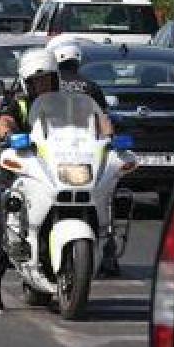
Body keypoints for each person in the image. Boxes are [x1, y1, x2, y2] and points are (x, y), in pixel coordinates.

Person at [0, 48, 61, 311]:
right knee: (6, 213)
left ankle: (106, 254)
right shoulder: (16, 103)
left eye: (48, 80)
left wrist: (105, 130)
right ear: (27, 83)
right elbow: (3, 120)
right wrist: (7, 131)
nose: (43, 86)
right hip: (27, 174)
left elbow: (92, 121)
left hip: (60, 174)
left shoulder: (67, 103)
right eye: (37, 81)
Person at [46, 39, 121, 276]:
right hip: (85, 153)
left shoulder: (49, 85)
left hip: (56, 152)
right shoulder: (91, 86)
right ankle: (109, 252)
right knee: (105, 198)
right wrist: (109, 140)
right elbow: (103, 121)